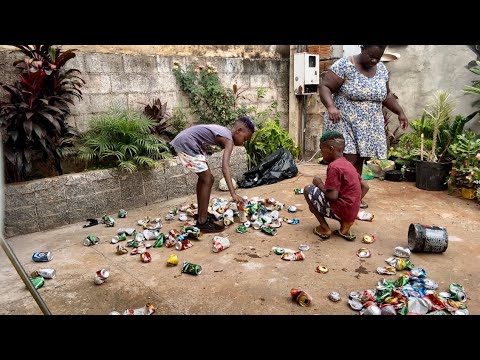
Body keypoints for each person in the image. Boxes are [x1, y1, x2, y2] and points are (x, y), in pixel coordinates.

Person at [319, 45, 408, 208]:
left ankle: (352, 195)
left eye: (378, 57)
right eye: (371, 56)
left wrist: (400, 112)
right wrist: (330, 106)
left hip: (368, 127)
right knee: (347, 160)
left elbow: (386, 94)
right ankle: (337, 197)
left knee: (359, 161)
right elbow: (325, 86)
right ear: (363, 48)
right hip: (344, 121)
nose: (374, 60)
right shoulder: (345, 65)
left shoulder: (380, 69)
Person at [170, 117, 255, 233]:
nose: (243, 142)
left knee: (206, 178)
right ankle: (202, 221)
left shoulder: (224, 132)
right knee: (208, 179)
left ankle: (202, 215)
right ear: (238, 131)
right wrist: (233, 194)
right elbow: (225, 167)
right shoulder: (228, 140)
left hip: (187, 141)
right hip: (187, 143)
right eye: (244, 139)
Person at [303, 131, 368, 241]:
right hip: (352, 213)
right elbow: (365, 187)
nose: (321, 152)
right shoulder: (348, 164)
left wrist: (319, 184)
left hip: (341, 210)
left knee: (308, 189)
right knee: (342, 199)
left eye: (322, 149)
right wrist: (354, 204)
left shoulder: (334, 167)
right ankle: (345, 226)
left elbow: (332, 196)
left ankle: (324, 228)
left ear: (331, 149)